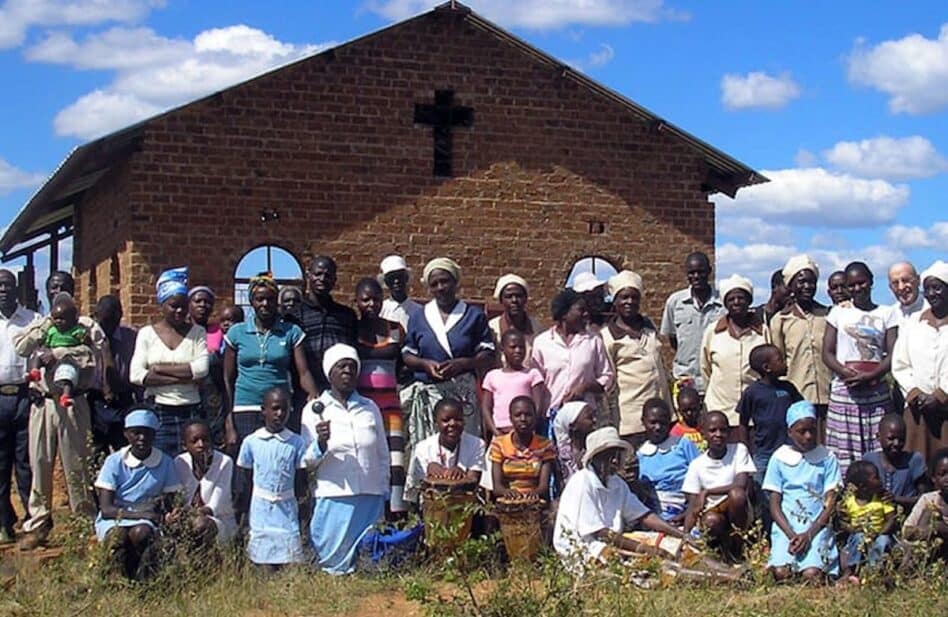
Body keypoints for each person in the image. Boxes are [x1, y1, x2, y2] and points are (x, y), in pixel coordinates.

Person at [14, 273, 106, 550]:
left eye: (64, 287)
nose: (58, 291)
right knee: (40, 461)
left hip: (73, 402)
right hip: (43, 402)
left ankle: (83, 522)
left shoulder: (85, 325)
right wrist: (44, 327)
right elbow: (22, 348)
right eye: (53, 288)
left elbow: (92, 357)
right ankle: (38, 523)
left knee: (77, 463)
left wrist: (56, 353)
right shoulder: (42, 323)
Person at [302, 344, 390, 575]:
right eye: (341, 366)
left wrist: (384, 489)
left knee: (369, 561)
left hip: (370, 494)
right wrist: (321, 443)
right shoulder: (314, 410)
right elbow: (307, 462)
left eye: (352, 366)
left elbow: (382, 453)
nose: (347, 371)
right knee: (333, 564)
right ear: (329, 372)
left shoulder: (370, 407)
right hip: (334, 495)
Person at [553, 426, 689, 566]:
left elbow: (644, 515)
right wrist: (642, 548)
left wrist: (682, 535)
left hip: (610, 541)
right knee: (643, 564)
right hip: (582, 549)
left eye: (617, 455)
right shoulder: (582, 482)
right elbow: (600, 533)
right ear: (595, 458)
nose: (615, 461)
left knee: (671, 546)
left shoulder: (617, 483)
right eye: (609, 456)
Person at [224, 273, 318, 458]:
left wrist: (315, 396)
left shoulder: (291, 332)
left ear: (277, 302)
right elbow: (227, 378)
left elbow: (304, 372)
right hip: (245, 409)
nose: (265, 304)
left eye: (270, 299)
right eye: (260, 299)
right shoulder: (237, 332)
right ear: (251, 301)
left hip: (279, 409)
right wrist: (229, 421)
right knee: (247, 465)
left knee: (280, 461)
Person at [402, 258, 495, 442]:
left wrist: (463, 364)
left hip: (463, 395)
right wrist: (425, 365)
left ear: (455, 282)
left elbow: (487, 353)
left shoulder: (473, 315)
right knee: (431, 447)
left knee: (465, 444)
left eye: (445, 281)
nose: (440, 287)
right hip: (430, 393)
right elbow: (407, 354)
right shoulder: (419, 317)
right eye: (434, 284)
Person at [822, 261, 898, 474]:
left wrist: (871, 375)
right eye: (851, 285)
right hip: (845, 392)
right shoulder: (838, 312)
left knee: (878, 446)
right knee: (845, 453)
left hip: (876, 393)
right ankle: (847, 492)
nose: (857, 288)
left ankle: (880, 490)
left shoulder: (887, 313)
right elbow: (827, 353)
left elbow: (893, 354)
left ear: (871, 281)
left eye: (861, 283)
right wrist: (846, 373)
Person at [130, 267, 209, 456]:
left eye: (183, 306)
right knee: (161, 460)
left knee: (191, 463)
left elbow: (202, 369)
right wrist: (186, 377)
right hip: (158, 409)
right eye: (174, 306)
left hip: (191, 408)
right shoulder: (147, 334)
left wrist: (158, 369)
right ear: (162, 305)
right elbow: (136, 375)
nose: (180, 311)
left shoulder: (197, 333)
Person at [94, 409, 182, 580]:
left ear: (155, 435)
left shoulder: (165, 462)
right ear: (126, 434)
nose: (142, 438)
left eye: (147, 433)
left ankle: (144, 577)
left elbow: (171, 500)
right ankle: (116, 578)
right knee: (117, 536)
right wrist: (143, 515)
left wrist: (170, 515)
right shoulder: (114, 461)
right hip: (116, 516)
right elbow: (106, 509)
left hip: (147, 518)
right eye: (136, 433)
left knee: (141, 533)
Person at [763, 401, 842, 582]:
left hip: (817, 525)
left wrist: (809, 534)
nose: (808, 436)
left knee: (812, 575)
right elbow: (774, 504)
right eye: (801, 431)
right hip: (786, 526)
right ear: (790, 432)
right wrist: (791, 535)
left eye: (812, 430)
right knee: (781, 573)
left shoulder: (827, 458)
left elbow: (830, 503)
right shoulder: (780, 458)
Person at [236, 387, 308, 570]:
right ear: (264, 410)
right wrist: (243, 516)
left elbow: (301, 482)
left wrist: (302, 515)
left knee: (290, 563)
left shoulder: (296, 442)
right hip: (261, 511)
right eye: (275, 408)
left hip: (287, 511)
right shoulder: (251, 442)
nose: (280, 414)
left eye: (284, 409)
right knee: (263, 564)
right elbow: (244, 481)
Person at [353, 277, 407, 515]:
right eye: (365, 300)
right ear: (357, 301)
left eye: (376, 299)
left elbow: (403, 364)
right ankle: (370, 513)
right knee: (367, 458)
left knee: (395, 462)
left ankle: (396, 514)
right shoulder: (353, 330)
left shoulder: (395, 329)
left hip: (390, 407)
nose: (371, 304)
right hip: (362, 407)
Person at [600, 270, 671, 444]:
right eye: (624, 297)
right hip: (631, 421)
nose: (629, 302)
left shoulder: (649, 329)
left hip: (661, 417)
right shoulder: (608, 337)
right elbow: (609, 380)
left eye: (634, 297)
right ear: (615, 301)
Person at [531, 289, 613, 432]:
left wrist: (585, 387)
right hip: (550, 417)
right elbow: (535, 380)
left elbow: (607, 376)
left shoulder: (593, 340)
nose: (586, 314)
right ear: (564, 313)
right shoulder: (542, 342)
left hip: (584, 418)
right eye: (581, 310)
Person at [892, 260, 948, 461]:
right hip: (918, 411)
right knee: (919, 465)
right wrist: (916, 393)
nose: (932, 294)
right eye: (927, 289)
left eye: (937, 288)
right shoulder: (914, 323)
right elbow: (900, 364)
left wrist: (941, 395)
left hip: (945, 409)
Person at [771, 255, 832, 441]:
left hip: (828, 397)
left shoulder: (828, 316)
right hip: (797, 399)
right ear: (791, 285)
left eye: (811, 282)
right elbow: (778, 362)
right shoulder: (780, 320)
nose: (807, 286)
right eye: (802, 282)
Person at [682, 411, 756, 557]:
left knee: (736, 495)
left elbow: (740, 484)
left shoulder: (739, 450)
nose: (718, 434)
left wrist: (707, 492)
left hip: (738, 511)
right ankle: (721, 550)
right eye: (712, 430)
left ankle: (737, 545)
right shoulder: (697, 465)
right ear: (703, 434)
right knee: (711, 520)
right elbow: (693, 505)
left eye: (723, 430)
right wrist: (685, 535)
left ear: (729, 432)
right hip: (712, 514)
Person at [701, 274, 770, 424]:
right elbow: (705, 369)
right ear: (725, 303)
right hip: (720, 410)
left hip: (755, 412)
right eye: (731, 299)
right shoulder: (713, 332)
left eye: (741, 298)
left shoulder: (763, 331)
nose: (736, 302)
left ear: (749, 301)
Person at [0, 269, 37, 544]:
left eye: (8, 285)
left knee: (26, 462)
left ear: (17, 289)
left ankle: (32, 521)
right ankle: (4, 523)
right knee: (1, 464)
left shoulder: (32, 320)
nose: (3, 290)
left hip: (26, 397)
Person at [660, 252, 726, 394]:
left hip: (715, 379)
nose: (696, 276)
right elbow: (673, 340)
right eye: (692, 273)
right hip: (685, 379)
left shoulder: (722, 303)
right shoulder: (675, 302)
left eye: (700, 272)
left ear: (709, 271)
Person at [737, 344, 803, 482]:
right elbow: (743, 422)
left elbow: (801, 410)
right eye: (780, 360)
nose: (785, 363)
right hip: (763, 451)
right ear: (767, 367)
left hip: (789, 448)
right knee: (762, 485)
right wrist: (747, 450)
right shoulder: (752, 392)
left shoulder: (788, 388)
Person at [294, 256, 358, 392]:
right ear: (308, 275)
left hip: (339, 391)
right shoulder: (294, 316)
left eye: (327, 275)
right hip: (304, 391)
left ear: (334, 280)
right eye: (318, 274)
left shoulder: (346, 315)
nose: (322, 279)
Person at [405, 398, 486, 504]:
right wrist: (429, 469)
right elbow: (420, 486)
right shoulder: (423, 448)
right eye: (446, 420)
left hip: (465, 503)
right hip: (433, 505)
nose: (452, 423)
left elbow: (473, 479)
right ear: (436, 422)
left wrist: (461, 474)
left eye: (458, 419)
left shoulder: (477, 444)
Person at [90, 295, 142, 456]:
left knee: (124, 451)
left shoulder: (131, 337)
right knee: (95, 450)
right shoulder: (87, 337)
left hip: (122, 399)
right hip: (95, 400)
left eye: (113, 320)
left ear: (120, 316)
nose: (107, 326)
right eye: (103, 321)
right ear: (96, 316)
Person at [174, 418, 236, 546]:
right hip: (187, 518)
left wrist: (187, 514)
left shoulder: (224, 462)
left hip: (219, 522)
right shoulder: (180, 462)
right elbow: (178, 499)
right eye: (194, 441)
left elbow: (214, 506)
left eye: (205, 440)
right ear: (184, 445)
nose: (201, 444)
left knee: (201, 524)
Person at [637, 398, 700, 523]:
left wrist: (688, 513)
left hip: (687, 512)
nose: (658, 427)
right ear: (643, 421)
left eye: (663, 423)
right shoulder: (640, 455)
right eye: (653, 422)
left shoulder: (683, 445)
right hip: (654, 518)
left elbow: (701, 477)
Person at [29, 293, 97, 409]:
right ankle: (35, 373)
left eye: (62, 318)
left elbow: (88, 350)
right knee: (37, 355)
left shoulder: (78, 329)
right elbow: (32, 345)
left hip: (67, 363)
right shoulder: (50, 330)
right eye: (55, 318)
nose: (58, 321)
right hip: (47, 398)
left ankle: (66, 396)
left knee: (67, 374)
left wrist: (58, 353)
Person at [836, 460, 896, 582]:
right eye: (876, 477)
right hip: (858, 534)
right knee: (858, 538)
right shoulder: (849, 501)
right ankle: (852, 570)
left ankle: (873, 571)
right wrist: (850, 528)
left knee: (883, 541)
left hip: (879, 534)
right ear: (863, 485)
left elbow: (891, 519)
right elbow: (842, 521)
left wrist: (880, 533)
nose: (880, 480)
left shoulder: (882, 499)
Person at [481, 329, 544, 438]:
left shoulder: (532, 374)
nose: (518, 350)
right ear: (502, 349)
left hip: (525, 433)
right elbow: (486, 407)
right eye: (513, 347)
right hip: (500, 433)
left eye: (521, 347)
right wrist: (495, 431)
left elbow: (538, 406)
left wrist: (531, 427)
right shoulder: (492, 376)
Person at [489, 396, 556, 499]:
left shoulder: (545, 445)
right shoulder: (499, 444)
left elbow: (543, 487)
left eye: (528, 415)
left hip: (534, 500)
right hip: (507, 500)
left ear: (535, 417)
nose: (523, 419)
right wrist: (508, 493)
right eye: (518, 415)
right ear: (511, 418)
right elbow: (497, 488)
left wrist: (534, 494)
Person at [862, 414, 928, 512]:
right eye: (891, 438)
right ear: (878, 437)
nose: (896, 443)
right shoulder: (870, 460)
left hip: (908, 517)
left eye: (901, 439)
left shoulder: (914, 460)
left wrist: (897, 499)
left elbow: (924, 499)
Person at [901, 447, 948, 562]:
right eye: (942, 474)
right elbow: (906, 531)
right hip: (930, 552)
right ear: (933, 478)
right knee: (929, 512)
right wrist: (929, 529)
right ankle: (912, 565)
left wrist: (942, 528)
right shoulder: (928, 499)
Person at [488, 274, 542, 368]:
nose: (514, 300)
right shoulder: (492, 328)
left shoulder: (537, 329)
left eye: (519, 296)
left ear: (526, 299)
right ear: (501, 300)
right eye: (508, 296)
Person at [551, 401, 596, 483]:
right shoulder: (558, 456)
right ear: (573, 426)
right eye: (589, 417)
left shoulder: (595, 449)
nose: (594, 420)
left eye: (594, 416)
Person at [378, 255, 422, 332]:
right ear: (386, 282)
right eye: (391, 278)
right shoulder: (381, 310)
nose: (396, 281)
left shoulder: (419, 311)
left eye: (400, 277)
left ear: (406, 278)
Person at [887, 261, 926, 326]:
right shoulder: (891, 316)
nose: (901, 287)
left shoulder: (933, 307)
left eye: (906, 280)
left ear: (918, 280)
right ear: (890, 287)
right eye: (895, 283)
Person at [670, 386, 706, 452]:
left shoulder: (707, 427)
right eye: (685, 410)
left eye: (693, 409)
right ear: (679, 411)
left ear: (700, 407)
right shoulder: (676, 433)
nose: (689, 413)